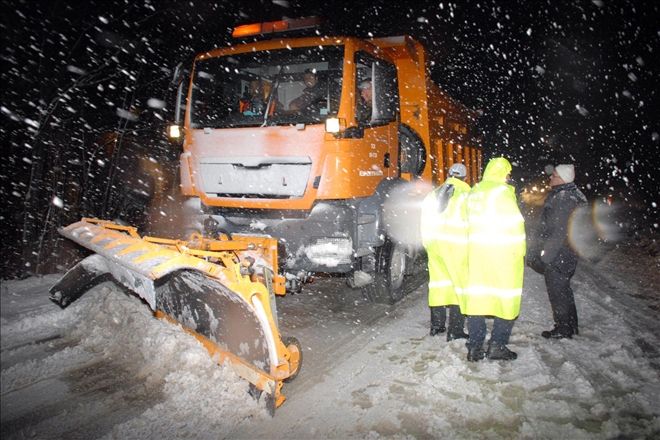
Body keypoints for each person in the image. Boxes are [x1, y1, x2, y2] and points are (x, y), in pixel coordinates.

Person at [461, 157, 526, 361]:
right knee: (505, 300)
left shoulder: (475, 191)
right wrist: (520, 254)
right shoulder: (503, 193)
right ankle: (497, 345)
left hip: (478, 255)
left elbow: (465, 222)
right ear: (503, 173)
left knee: (476, 302)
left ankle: (475, 347)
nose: (508, 178)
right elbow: (515, 228)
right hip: (502, 256)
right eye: (507, 173)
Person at [534, 164, 587, 339]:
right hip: (568, 252)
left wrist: (546, 257)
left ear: (563, 179)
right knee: (564, 289)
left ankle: (563, 328)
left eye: (554, 176)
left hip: (560, 254)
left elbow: (558, 232)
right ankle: (571, 325)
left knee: (558, 291)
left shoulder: (564, 198)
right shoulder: (572, 195)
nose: (550, 177)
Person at [420, 163, 470, 341]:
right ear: (465, 177)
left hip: (435, 246)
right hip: (459, 248)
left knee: (438, 285)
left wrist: (428, 244)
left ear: (448, 174)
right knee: (459, 287)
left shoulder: (432, 195)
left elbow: (424, 223)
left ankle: (437, 326)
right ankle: (455, 330)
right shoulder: (467, 195)